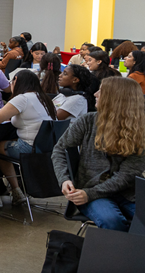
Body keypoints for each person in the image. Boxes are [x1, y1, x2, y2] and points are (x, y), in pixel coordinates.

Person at [51, 77, 145, 231]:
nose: (95, 94)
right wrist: (64, 179)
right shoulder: (87, 121)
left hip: (127, 192)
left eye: (101, 91)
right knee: (111, 221)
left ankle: (127, 245)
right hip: (89, 188)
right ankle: (119, 245)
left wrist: (90, 193)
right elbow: (60, 149)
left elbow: (127, 175)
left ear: (114, 99)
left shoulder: (140, 130)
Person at [0, 70, 57, 208]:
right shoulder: (44, 98)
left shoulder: (22, 99)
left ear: (16, 80)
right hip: (46, 147)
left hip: (28, 148)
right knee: (2, 148)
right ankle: (16, 191)